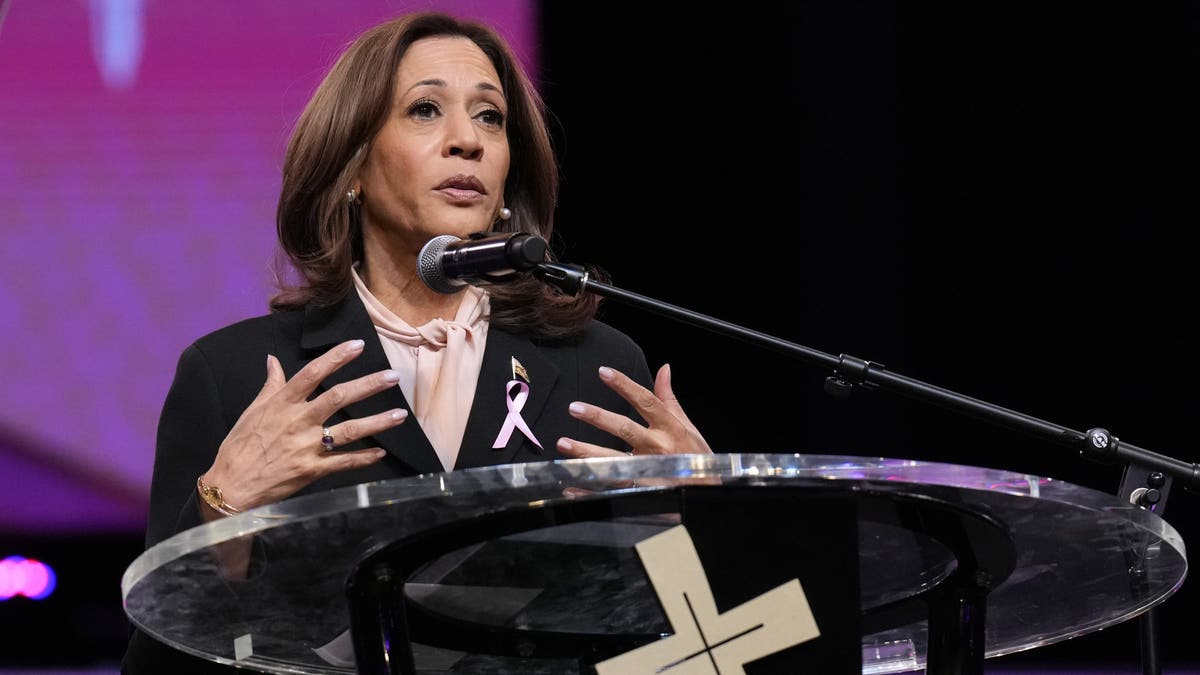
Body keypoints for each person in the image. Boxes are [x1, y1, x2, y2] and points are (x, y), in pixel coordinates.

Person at [121, 10, 711, 674]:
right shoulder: (236, 374)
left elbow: (694, 643)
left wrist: (705, 520)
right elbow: (158, 664)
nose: (468, 140)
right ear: (353, 166)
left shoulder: (598, 370)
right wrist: (219, 507)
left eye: (490, 117)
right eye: (426, 110)